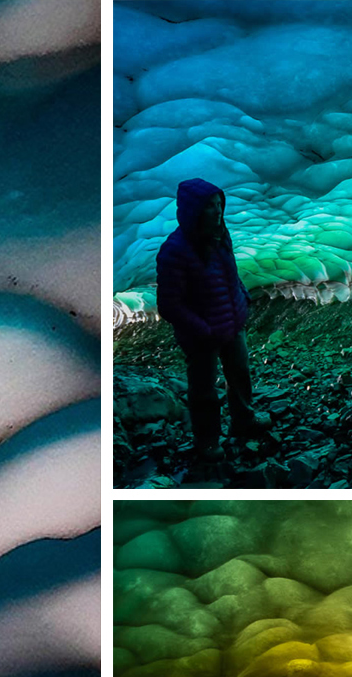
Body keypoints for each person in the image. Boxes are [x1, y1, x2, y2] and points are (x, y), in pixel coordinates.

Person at [154, 178, 268, 463]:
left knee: (240, 373)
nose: (217, 212)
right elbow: (169, 304)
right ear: (194, 210)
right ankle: (207, 442)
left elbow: (230, 272)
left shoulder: (220, 237)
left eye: (219, 205)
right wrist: (202, 329)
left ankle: (244, 420)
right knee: (204, 390)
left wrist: (243, 297)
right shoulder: (174, 251)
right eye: (210, 207)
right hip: (202, 337)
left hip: (231, 323)